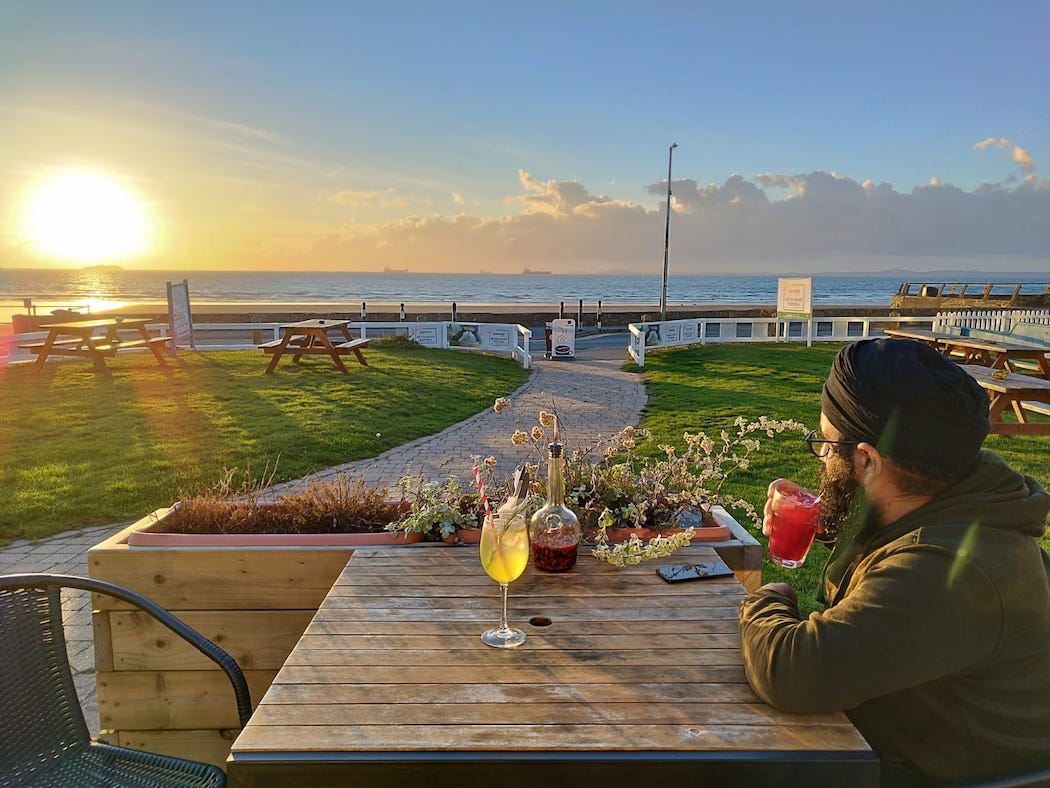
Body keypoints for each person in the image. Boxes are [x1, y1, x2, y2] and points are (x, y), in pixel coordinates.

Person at [738, 338, 1050, 786]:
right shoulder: (963, 504)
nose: (824, 458)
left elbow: (791, 669)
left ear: (865, 459)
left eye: (826, 445)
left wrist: (768, 597)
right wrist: (831, 521)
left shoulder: (950, 570)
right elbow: (902, 550)